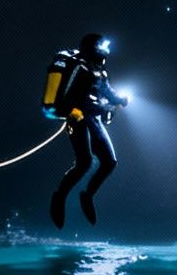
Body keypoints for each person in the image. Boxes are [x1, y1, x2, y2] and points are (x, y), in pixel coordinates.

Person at [49, 33, 129, 228]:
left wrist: (119, 99)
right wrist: (70, 111)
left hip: (93, 118)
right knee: (84, 162)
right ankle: (60, 197)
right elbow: (62, 96)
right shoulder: (78, 67)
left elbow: (106, 90)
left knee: (109, 162)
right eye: (102, 46)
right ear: (93, 48)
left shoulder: (99, 70)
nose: (106, 51)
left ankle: (87, 195)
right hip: (78, 118)